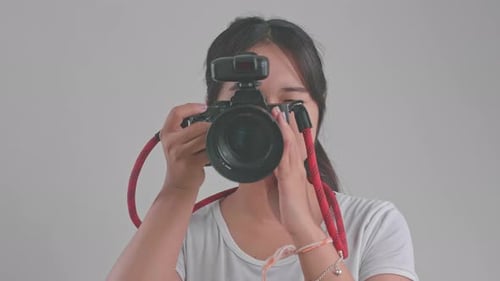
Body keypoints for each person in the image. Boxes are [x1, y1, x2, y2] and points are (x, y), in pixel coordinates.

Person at [107, 16, 419, 281]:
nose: (266, 119)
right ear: (211, 115)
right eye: (244, 103)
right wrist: (176, 190)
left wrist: (301, 224)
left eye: (288, 103)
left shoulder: (373, 224)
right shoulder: (182, 236)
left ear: (317, 115)